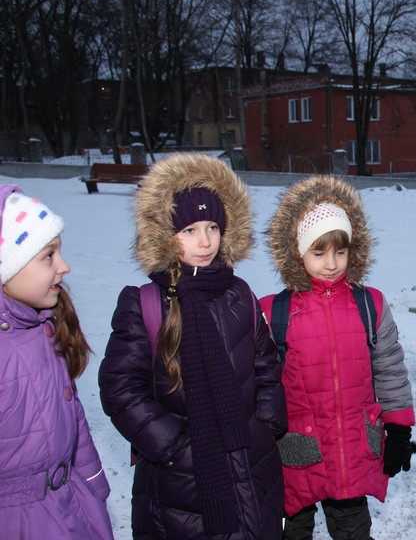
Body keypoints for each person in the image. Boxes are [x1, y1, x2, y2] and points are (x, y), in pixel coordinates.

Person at [98, 154, 288, 539]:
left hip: (251, 464)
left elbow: (267, 364)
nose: (205, 241)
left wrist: (265, 424)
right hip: (181, 483)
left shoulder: (239, 294)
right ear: (164, 234)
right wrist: (172, 447)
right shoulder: (145, 303)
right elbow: (120, 389)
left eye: (213, 226)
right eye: (189, 230)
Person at [259, 175, 416, 540]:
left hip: (351, 450)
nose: (331, 263)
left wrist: (398, 429)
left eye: (340, 251)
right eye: (318, 252)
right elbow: (259, 383)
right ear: (296, 251)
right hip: (295, 451)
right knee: (291, 531)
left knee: (353, 530)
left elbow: (389, 368)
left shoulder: (369, 304)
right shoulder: (274, 311)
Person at [0, 184, 115, 539]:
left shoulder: (46, 328)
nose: (64, 266)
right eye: (48, 256)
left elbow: (72, 415)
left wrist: (93, 483)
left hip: (71, 504)